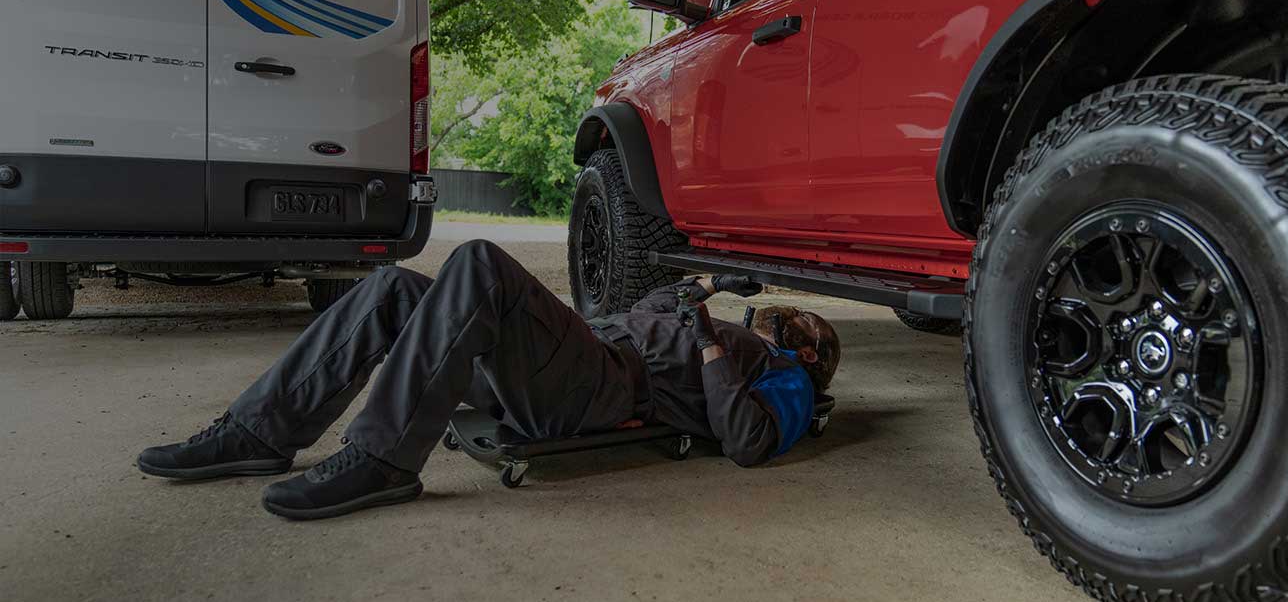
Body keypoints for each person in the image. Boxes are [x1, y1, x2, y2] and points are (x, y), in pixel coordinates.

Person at [136, 240, 842, 520]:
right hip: (564, 357)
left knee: (478, 262)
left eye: (803, 325)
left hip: (598, 388)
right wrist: (705, 290)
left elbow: (746, 441)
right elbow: (656, 308)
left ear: (811, 354)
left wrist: (717, 343)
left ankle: (383, 458)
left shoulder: (783, 375)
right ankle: (259, 429)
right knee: (392, 288)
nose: (787, 319)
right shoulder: (721, 322)